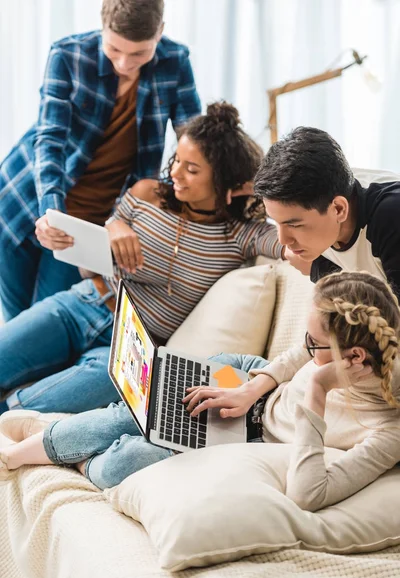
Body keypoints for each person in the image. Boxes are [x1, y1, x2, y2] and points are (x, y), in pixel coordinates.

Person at [1, 271, 399, 512]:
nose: (306, 351)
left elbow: (309, 494)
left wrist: (315, 387)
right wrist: (251, 389)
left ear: (357, 358)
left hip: (252, 435)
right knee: (130, 414)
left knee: (126, 460)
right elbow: (300, 351)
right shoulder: (355, 341)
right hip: (248, 381)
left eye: (316, 346)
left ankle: (75, 460)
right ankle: (14, 457)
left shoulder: (388, 432)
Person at [0, 102, 283, 415]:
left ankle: (9, 416)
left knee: (28, 407)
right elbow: (87, 264)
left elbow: (290, 239)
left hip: (129, 348)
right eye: (177, 160)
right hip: (81, 304)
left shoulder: (242, 235)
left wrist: (254, 189)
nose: (175, 173)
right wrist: (113, 226)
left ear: (225, 181)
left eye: (192, 169)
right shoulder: (147, 192)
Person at [0, 0, 201, 322]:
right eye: (114, 49)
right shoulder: (68, 55)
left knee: (44, 325)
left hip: (86, 223)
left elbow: (194, 141)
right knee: (14, 327)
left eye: (139, 54)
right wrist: (50, 212)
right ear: (102, 27)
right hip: (22, 198)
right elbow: (50, 139)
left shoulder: (175, 61)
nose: (124, 63)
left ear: (160, 32)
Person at [253, 126, 400, 299]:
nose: (284, 241)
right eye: (277, 222)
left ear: (339, 209)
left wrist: (319, 270)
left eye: (294, 224)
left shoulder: (391, 218)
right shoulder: (326, 194)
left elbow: (382, 317)